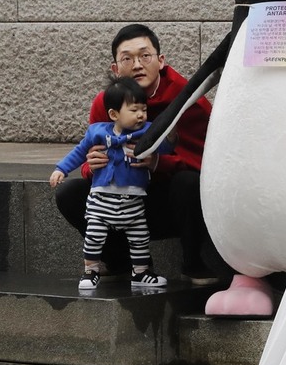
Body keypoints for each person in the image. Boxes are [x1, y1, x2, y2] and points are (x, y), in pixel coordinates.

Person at [55, 24, 219, 285]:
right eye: (127, 58)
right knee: (69, 193)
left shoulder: (187, 99)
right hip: (119, 198)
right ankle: (121, 262)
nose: (137, 64)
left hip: (167, 204)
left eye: (145, 56)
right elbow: (90, 152)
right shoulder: (106, 102)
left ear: (161, 61)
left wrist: (157, 163)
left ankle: (194, 264)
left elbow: (208, 165)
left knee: (188, 183)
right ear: (115, 68)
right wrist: (91, 165)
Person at [50, 77, 174, 289]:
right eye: (134, 110)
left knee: (140, 238)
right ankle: (91, 271)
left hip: (133, 200)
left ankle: (141, 273)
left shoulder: (147, 131)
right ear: (114, 114)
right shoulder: (98, 132)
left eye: (144, 109)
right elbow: (79, 152)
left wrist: (164, 137)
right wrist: (61, 168)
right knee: (94, 236)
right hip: (102, 198)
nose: (141, 115)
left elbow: (167, 146)